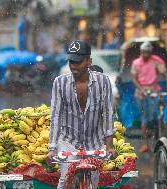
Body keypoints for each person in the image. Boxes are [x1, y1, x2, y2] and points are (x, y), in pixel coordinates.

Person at [46, 40, 117, 189]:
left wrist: (109, 146)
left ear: (89, 61)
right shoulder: (59, 83)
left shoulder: (103, 82)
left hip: (94, 142)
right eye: (71, 62)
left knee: (93, 183)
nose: (73, 66)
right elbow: (56, 116)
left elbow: (108, 113)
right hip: (68, 142)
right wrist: (52, 149)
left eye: (78, 62)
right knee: (66, 180)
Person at [131, 41, 166, 152]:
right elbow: (134, 79)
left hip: (153, 90)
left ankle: (160, 140)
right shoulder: (136, 62)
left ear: (150, 53)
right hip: (141, 92)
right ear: (141, 52)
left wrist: (158, 61)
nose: (145, 55)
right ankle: (145, 144)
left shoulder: (155, 61)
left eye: (147, 53)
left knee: (158, 117)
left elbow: (163, 72)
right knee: (144, 119)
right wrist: (141, 89)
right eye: (143, 52)